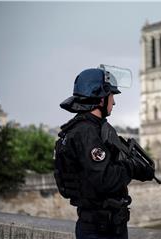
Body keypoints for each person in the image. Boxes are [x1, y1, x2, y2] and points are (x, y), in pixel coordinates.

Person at [56, 66, 155, 239]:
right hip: (101, 230)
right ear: (101, 99)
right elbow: (106, 180)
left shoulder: (86, 128)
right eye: (111, 96)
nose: (114, 102)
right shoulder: (87, 132)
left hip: (100, 225)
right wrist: (131, 166)